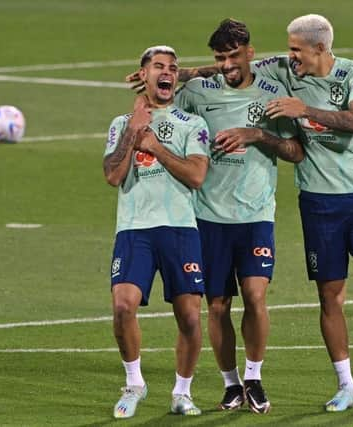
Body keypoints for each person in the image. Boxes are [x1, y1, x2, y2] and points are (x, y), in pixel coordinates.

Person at [254, 14, 353, 411]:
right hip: (319, 203)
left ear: (320, 48)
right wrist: (176, 73)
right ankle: (346, 385)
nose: (289, 57)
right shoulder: (286, 71)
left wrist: (304, 109)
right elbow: (233, 66)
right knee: (330, 297)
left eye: (295, 49)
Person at [174, 19, 304, 413]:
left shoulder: (272, 92)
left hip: (255, 213)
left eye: (234, 55)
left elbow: (296, 151)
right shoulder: (196, 93)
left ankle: (254, 376)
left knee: (255, 295)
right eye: (220, 58)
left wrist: (258, 135)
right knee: (217, 304)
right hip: (208, 215)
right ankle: (231, 384)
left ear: (250, 53)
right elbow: (170, 127)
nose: (228, 64)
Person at [103, 45, 210, 418]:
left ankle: (182, 392)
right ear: (144, 75)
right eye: (159, 66)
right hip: (134, 230)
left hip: (180, 229)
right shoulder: (121, 123)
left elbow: (197, 176)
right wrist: (133, 133)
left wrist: (155, 146)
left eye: (173, 68)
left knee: (191, 318)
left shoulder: (192, 124)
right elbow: (114, 176)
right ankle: (134, 383)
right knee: (122, 307)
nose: (167, 72)